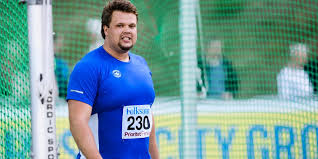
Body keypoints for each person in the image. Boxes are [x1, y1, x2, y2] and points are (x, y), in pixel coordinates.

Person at [66, 0, 159, 158]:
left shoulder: (141, 64)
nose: (127, 31)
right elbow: (78, 122)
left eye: (131, 26)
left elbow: (147, 116)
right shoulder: (88, 66)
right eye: (120, 25)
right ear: (106, 29)